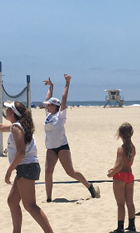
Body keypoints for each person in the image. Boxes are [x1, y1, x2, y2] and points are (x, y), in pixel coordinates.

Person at [0, 101, 59, 233]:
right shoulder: (18, 126)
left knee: (30, 205)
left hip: (26, 167)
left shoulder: (17, 128)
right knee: (12, 201)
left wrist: (9, 170)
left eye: (8, 109)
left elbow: (21, 152)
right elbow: (3, 127)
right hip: (26, 167)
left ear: (13, 113)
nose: (6, 110)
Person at [41, 74, 100, 202]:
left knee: (70, 172)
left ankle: (89, 187)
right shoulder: (48, 115)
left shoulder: (60, 116)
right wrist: (51, 86)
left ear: (55, 106)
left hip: (62, 147)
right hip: (50, 148)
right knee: (48, 171)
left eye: (49, 105)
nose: (47, 106)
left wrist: (67, 82)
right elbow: (47, 98)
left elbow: (64, 98)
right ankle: (49, 198)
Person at [107, 123, 137, 233]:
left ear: (120, 134)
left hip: (120, 177)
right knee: (130, 203)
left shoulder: (121, 149)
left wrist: (111, 173)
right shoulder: (132, 147)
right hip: (129, 175)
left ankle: (120, 227)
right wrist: (114, 168)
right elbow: (129, 163)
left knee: (120, 204)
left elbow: (119, 165)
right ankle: (132, 225)